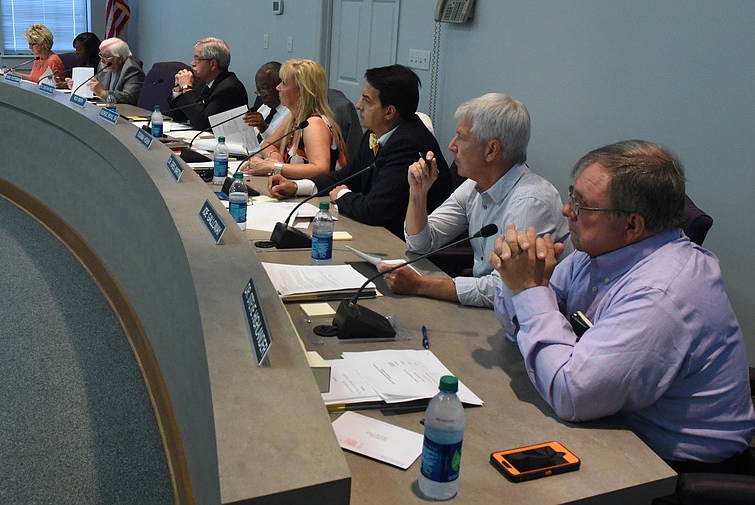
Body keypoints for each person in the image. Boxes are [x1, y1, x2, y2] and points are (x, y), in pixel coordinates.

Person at [491, 140, 755, 474]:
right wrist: (519, 277)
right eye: (572, 195)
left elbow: (572, 394)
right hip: (614, 425)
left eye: (582, 206)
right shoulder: (597, 252)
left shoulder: (662, 292)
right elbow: (520, 327)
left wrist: (529, 289)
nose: (566, 211)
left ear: (631, 225)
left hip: (675, 469)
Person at [379, 93, 572, 307]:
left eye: (461, 137)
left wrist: (420, 285)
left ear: (491, 150)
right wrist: (418, 193)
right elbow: (421, 244)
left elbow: (505, 289)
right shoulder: (474, 185)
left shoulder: (530, 202)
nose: (452, 145)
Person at [267, 64, 453, 239]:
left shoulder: (408, 144)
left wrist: (341, 195)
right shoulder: (376, 133)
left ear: (389, 112)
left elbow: (375, 211)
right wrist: (297, 187)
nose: (358, 105)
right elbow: (346, 177)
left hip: (407, 247)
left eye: (367, 100)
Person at [240, 59, 346, 179]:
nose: (278, 88)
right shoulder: (294, 118)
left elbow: (320, 169)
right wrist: (274, 156)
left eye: (284, 83)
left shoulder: (314, 124)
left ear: (300, 92)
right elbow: (268, 144)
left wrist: (274, 166)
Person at [168, 37, 248, 130]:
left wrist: (186, 88)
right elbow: (179, 114)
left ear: (213, 64)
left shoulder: (229, 89)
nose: (192, 63)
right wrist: (178, 89)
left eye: (197, 59)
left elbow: (203, 123)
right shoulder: (203, 83)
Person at [84, 38, 144, 104]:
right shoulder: (104, 65)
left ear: (119, 59)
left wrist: (103, 93)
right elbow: (95, 86)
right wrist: (78, 85)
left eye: (106, 56)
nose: (102, 60)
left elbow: (129, 97)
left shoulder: (132, 70)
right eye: (101, 55)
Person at [244, 61, 289, 143]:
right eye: (259, 90)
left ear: (279, 85)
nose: (262, 95)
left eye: (265, 88)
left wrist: (264, 128)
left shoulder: (290, 113)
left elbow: (282, 145)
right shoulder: (265, 107)